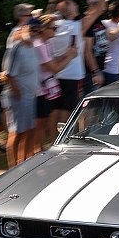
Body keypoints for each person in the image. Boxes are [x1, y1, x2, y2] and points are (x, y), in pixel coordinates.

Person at [31, 15, 75, 152]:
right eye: (53, 28)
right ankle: (37, 154)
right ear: (43, 29)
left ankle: (41, 150)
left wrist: (65, 55)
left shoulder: (45, 44)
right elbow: (54, 68)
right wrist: (70, 56)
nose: (55, 31)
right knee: (40, 125)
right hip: (40, 90)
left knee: (44, 122)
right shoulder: (39, 45)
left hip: (45, 89)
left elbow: (52, 62)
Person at [0, 18, 39, 167]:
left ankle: (23, 165)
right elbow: (9, 74)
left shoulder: (32, 46)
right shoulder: (16, 48)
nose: (35, 33)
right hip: (18, 96)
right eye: (32, 29)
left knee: (28, 131)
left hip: (30, 95)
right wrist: (18, 94)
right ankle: (13, 169)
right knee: (16, 133)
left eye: (38, 30)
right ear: (24, 28)